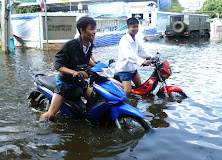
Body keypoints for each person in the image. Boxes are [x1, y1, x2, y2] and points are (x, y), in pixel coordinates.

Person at [40, 16, 97, 120]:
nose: (94, 32)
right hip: (65, 85)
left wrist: (96, 65)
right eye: (91, 29)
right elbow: (57, 65)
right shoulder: (70, 45)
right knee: (50, 115)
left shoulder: (90, 44)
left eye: (95, 29)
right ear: (82, 30)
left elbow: (86, 57)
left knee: (96, 102)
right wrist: (74, 72)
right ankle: (37, 121)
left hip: (80, 83)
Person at [115, 17, 157, 96]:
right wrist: (142, 62)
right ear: (128, 27)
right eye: (133, 27)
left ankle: (137, 104)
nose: (135, 29)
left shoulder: (136, 39)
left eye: (137, 26)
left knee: (141, 89)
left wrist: (151, 57)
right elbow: (129, 55)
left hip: (133, 70)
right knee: (127, 92)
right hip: (125, 71)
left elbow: (142, 51)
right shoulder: (124, 40)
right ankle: (121, 106)